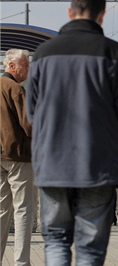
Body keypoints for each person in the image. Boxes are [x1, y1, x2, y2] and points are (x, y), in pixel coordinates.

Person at [26, 0, 118, 266]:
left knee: (55, 241)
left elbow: (31, 114)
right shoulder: (114, 53)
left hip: (52, 165)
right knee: (90, 249)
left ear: (70, 12)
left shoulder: (42, 55)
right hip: (98, 166)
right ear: (101, 15)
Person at [1, 49, 34, 266]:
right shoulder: (15, 89)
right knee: (23, 211)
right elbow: (30, 125)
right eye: (25, 65)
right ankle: (21, 263)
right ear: (12, 66)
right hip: (18, 158)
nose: (28, 69)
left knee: (1, 211)